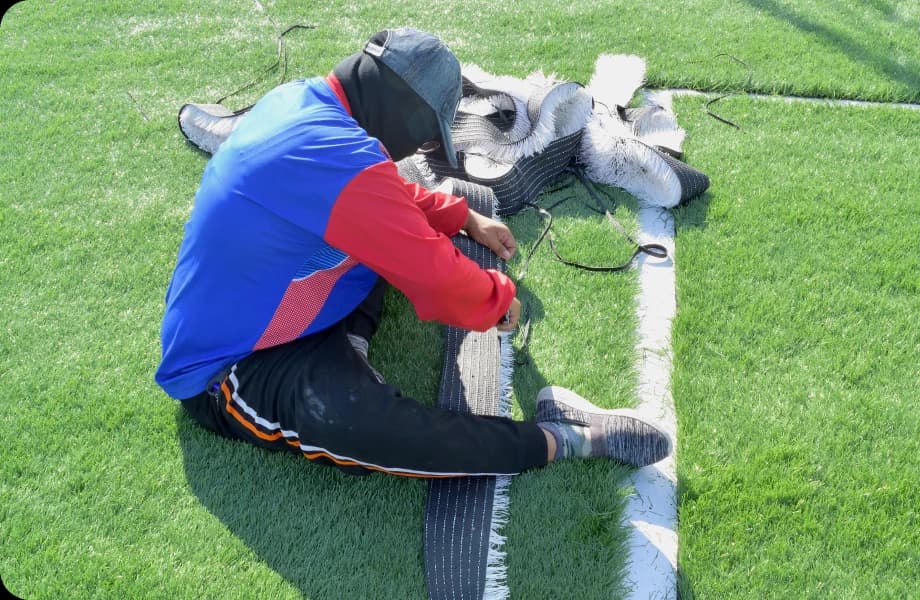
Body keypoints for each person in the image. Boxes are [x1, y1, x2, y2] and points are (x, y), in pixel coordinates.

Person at [156, 27, 671, 477]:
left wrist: (460, 216)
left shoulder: (306, 104)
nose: (421, 151)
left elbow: (378, 193)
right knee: (370, 427)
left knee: (387, 236)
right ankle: (563, 440)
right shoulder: (336, 159)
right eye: (426, 139)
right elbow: (439, 282)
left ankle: (348, 350)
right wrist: (496, 300)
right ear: (405, 108)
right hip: (232, 367)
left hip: (298, 304)